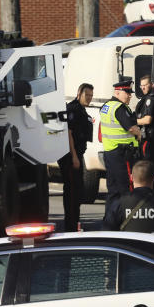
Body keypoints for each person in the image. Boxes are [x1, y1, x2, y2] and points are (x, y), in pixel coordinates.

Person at [100, 78, 142, 204]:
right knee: (126, 188)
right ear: (117, 92)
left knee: (113, 190)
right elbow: (131, 128)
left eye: (130, 93)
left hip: (110, 152)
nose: (130, 96)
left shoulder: (106, 106)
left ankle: (110, 220)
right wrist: (139, 134)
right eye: (127, 93)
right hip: (122, 154)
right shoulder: (120, 108)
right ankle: (127, 221)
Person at [59, 82, 94, 231]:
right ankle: (71, 226)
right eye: (87, 95)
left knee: (77, 190)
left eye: (91, 96)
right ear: (79, 93)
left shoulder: (81, 109)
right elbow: (69, 133)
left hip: (77, 154)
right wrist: (74, 156)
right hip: (70, 156)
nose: (89, 98)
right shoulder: (73, 109)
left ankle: (74, 223)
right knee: (72, 192)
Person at [134, 75, 154, 192]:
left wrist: (132, 121)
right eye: (141, 86)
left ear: (152, 85)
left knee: (146, 167)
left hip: (148, 138)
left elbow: (147, 120)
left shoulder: (150, 100)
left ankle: (148, 193)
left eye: (145, 85)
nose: (142, 88)